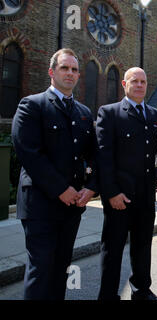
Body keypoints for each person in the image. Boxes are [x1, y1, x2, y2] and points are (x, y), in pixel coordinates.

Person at [11, 48, 98, 300]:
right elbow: (28, 152)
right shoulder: (32, 105)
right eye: (64, 68)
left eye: (74, 69)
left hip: (71, 206)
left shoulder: (83, 112)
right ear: (52, 72)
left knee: (61, 268)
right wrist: (61, 188)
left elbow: (93, 155)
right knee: (41, 268)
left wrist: (91, 187)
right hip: (40, 204)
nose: (70, 73)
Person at [96, 67, 157, 300]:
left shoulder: (153, 114)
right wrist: (111, 193)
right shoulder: (109, 113)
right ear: (125, 84)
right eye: (135, 81)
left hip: (145, 196)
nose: (140, 85)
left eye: (143, 81)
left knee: (142, 247)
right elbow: (103, 156)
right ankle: (108, 295)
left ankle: (141, 290)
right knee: (112, 250)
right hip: (119, 197)